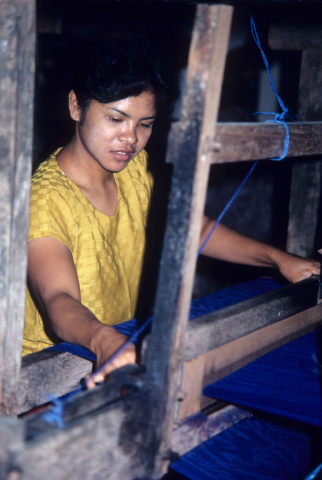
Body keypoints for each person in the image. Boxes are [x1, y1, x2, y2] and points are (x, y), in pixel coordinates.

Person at [23, 38, 320, 387]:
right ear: (76, 106)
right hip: (49, 369)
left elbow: (189, 229)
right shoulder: (42, 202)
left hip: (118, 348)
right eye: (116, 119)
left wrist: (279, 259)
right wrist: (105, 341)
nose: (130, 138)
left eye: (144, 124)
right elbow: (60, 299)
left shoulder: (132, 169)